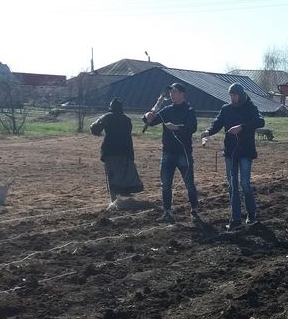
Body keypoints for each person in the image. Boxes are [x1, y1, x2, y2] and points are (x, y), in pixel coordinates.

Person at [201, 82, 265, 230]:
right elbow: (217, 123)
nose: (232, 97)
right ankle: (235, 218)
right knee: (232, 185)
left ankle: (251, 213)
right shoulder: (226, 109)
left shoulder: (251, 108)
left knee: (244, 183)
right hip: (230, 151)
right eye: (231, 95)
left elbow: (260, 121)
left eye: (235, 94)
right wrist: (208, 132)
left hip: (245, 151)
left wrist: (241, 127)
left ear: (240, 94)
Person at [142, 82, 199, 223]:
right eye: (171, 92)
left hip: (183, 153)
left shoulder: (189, 110)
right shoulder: (167, 110)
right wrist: (147, 116)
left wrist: (177, 128)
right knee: (166, 184)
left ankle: (194, 210)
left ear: (181, 94)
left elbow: (192, 127)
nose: (172, 95)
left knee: (189, 184)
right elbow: (151, 121)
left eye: (174, 92)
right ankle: (167, 211)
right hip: (167, 152)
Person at [90, 99, 143, 210]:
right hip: (125, 151)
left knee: (111, 176)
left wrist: (99, 133)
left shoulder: (107, 116)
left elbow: (94, 128)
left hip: (110, 151)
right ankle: (124, 198)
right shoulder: (127, 119)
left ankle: (114, 201)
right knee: (124, 173)